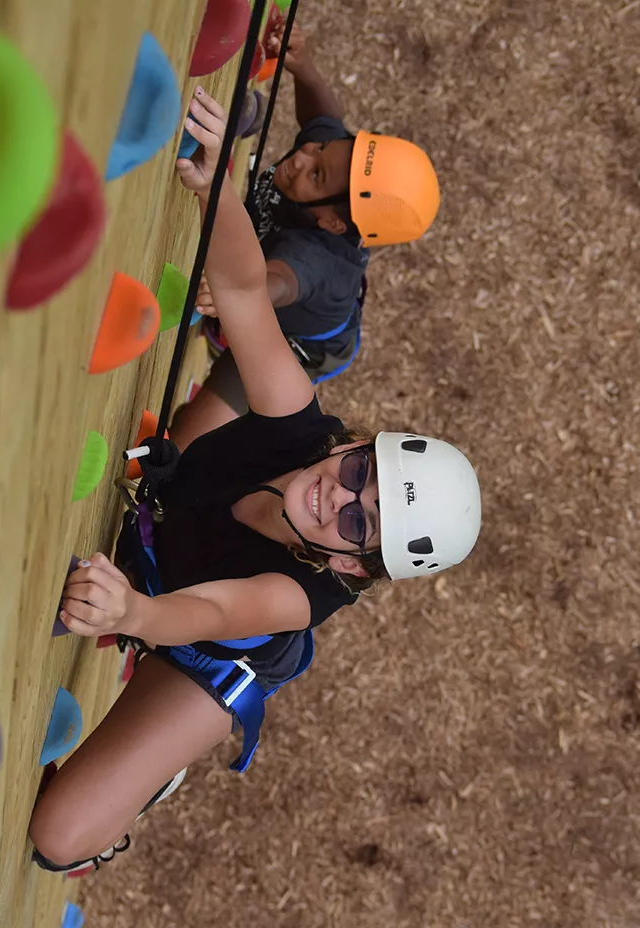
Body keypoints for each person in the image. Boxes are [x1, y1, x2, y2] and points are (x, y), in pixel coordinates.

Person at [28, 90, 479, 874]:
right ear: (360, 442)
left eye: (358, 524)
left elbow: (206, 609)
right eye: (361, 472)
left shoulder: (296, 598)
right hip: (177, 526)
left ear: (350, 566)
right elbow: (240, 292)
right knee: (243, 376)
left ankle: (156, 774)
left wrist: (131, 609)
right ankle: (158, 508)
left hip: (202, 645)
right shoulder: (306, 429)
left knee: (59, 837)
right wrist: (217, 190)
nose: (338, 495)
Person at [174, 23, 441, 445]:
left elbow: (269, 284)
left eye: (316, 174)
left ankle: (218, 362)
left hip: (296, 340)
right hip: (293, 285)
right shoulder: (330, 165)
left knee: (181, 447)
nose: (302, 158)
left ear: (334, 223)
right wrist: (305, 68)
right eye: (320, 151)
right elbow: (324, 120)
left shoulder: (315, 260)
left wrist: (231, 292)